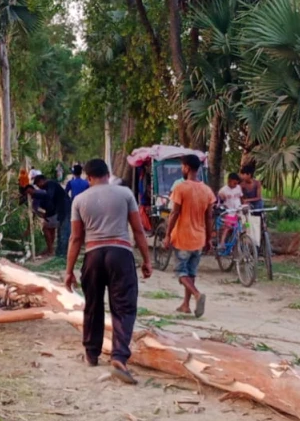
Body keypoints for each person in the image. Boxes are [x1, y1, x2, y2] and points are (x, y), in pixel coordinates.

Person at [65, 158, 153, 384]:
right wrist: (146, 260)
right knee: (123, 306)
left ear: (88, 177)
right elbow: (138, 230)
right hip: (120, 253)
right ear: (107, 173)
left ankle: (91, 353)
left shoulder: (80, 200)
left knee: (93, 305)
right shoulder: (125, 194)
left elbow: (76, 238)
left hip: (93, 255)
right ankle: (119, 357)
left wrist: (69, 271)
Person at [165, 154, 215, 317]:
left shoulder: (181, 187)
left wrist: (167, 235)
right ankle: (185, 305)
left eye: (182, 166)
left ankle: (197, 294)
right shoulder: (207, 190)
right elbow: (209, 217)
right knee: (191, 273)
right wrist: (209, 238)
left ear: (186, 167)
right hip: (199, 238)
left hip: (183, 237)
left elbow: (174, 213)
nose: (182, 169)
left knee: (181, 272)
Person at [216, 172, 243, 252]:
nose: (235, 185)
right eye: (234, 183)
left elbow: (241, 198)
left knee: (242, 226)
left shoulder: (238, 188)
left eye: (236, 183)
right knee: (227, 227)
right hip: (229, 212)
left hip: (238, 210)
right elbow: (220, 202)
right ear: (229, 181)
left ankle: (239, 244)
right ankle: (222, 243)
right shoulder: (223, 191)